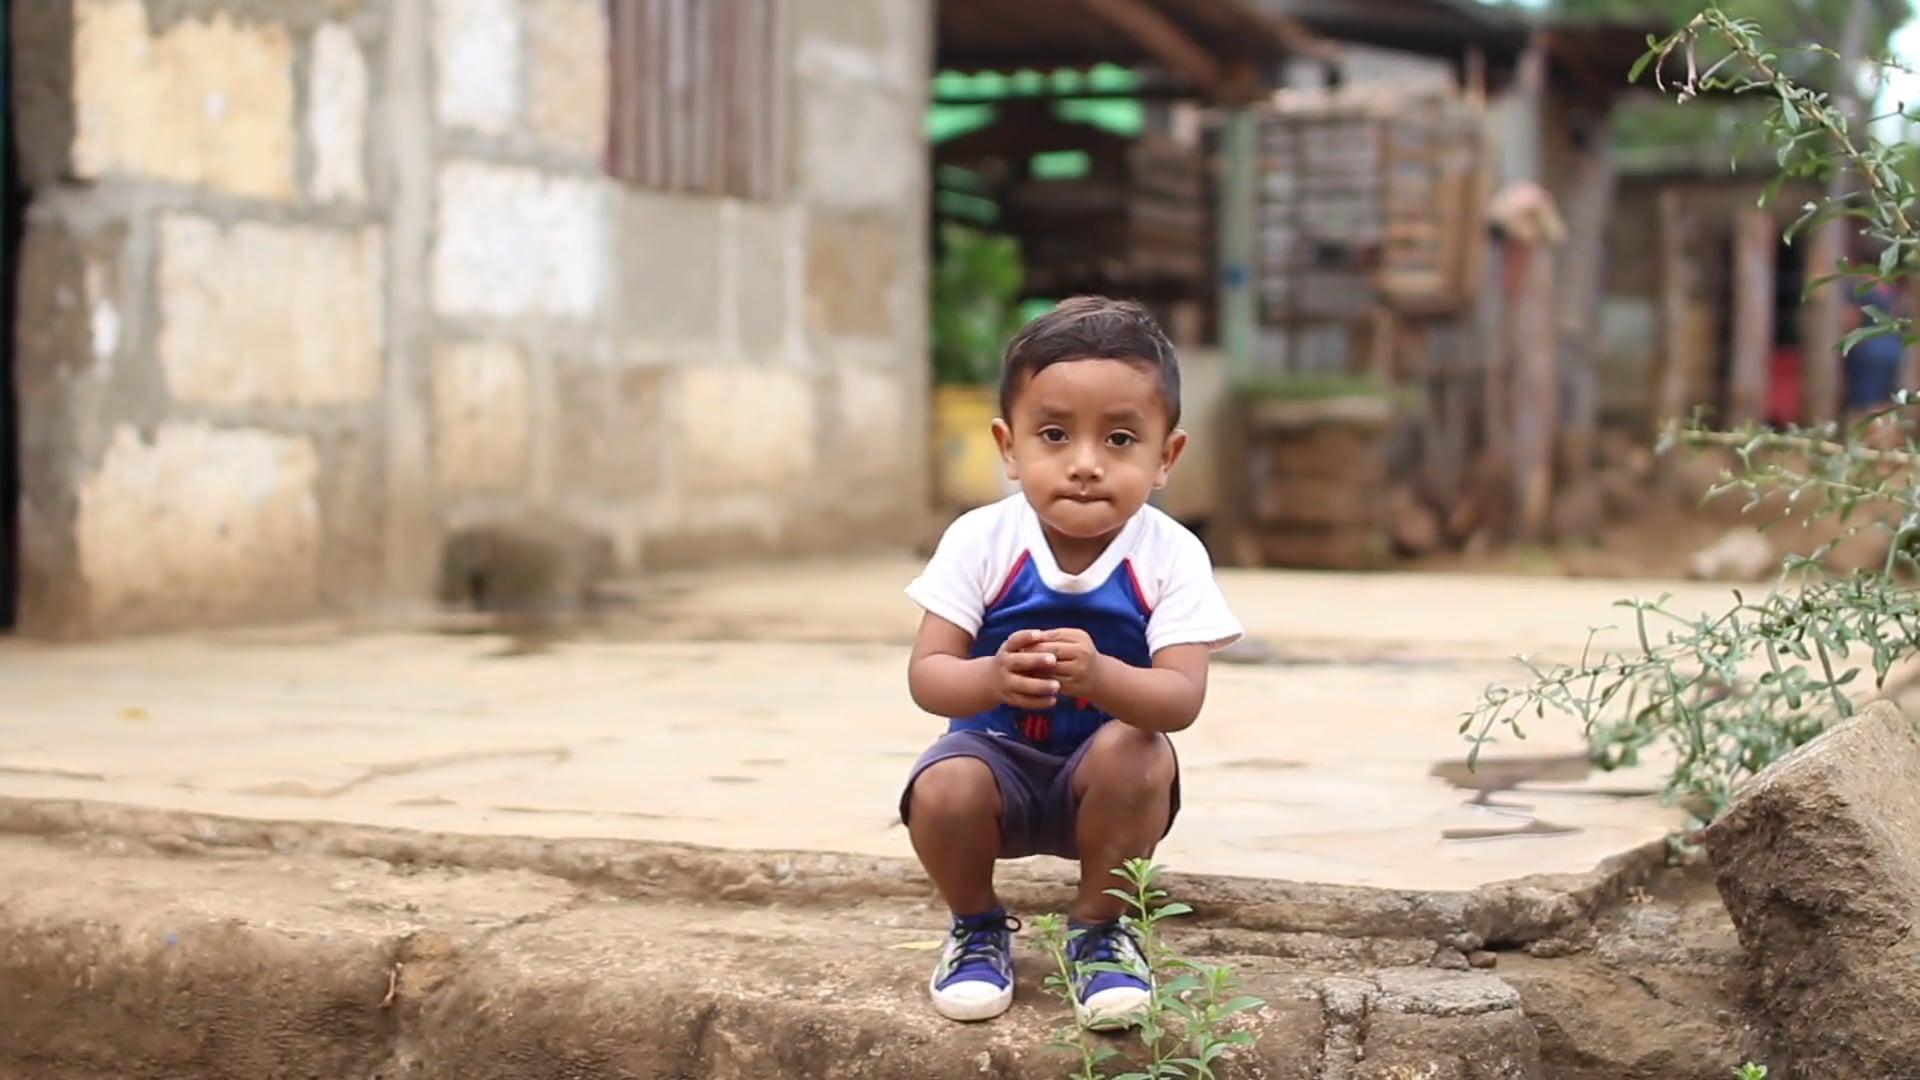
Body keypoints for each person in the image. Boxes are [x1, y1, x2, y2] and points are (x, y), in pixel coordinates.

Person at [897, 296, 1244, 1031]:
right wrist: (989, 677)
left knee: (1140, 752)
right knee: (942, 782)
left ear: (1166, 457)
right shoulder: (981, 539)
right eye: (1054, 435)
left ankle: (1098, 931)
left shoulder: (1170, 554)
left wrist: (1102, 679)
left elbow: (1181, 697)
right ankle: (976, 927)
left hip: (1105, 781)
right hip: (996, 764)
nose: (1085, 465)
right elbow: (928, 674)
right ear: (1009, 445)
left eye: (1120, 439)